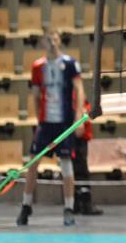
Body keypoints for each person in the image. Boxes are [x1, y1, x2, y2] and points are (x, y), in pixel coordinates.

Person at [16, 28, 85, 228]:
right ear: (43, 43)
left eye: (55, 39)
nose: (52, 42)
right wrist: (39, 118)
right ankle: (26, 206)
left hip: (65, 122)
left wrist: (79, 116)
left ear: (59, 41)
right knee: (33, 162)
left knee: (66, 164)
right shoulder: (38, 66)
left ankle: (69, 208)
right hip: (46, 124)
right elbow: (36, 95)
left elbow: (79, 90)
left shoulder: (70, 64)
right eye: (48, 39)